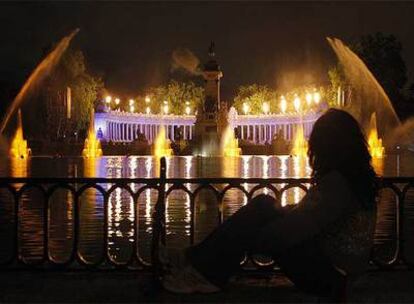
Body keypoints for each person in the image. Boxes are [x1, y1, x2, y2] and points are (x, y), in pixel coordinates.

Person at [160, 109, 378, 300]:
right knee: (265, 206)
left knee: (260, 209)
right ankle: (199, 263)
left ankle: (202, 271)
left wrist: (246, 234)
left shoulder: (336, 183)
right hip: (339, 274)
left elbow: (291, 232)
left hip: (330, 280)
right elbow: (315, 219)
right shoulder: (353, 178)